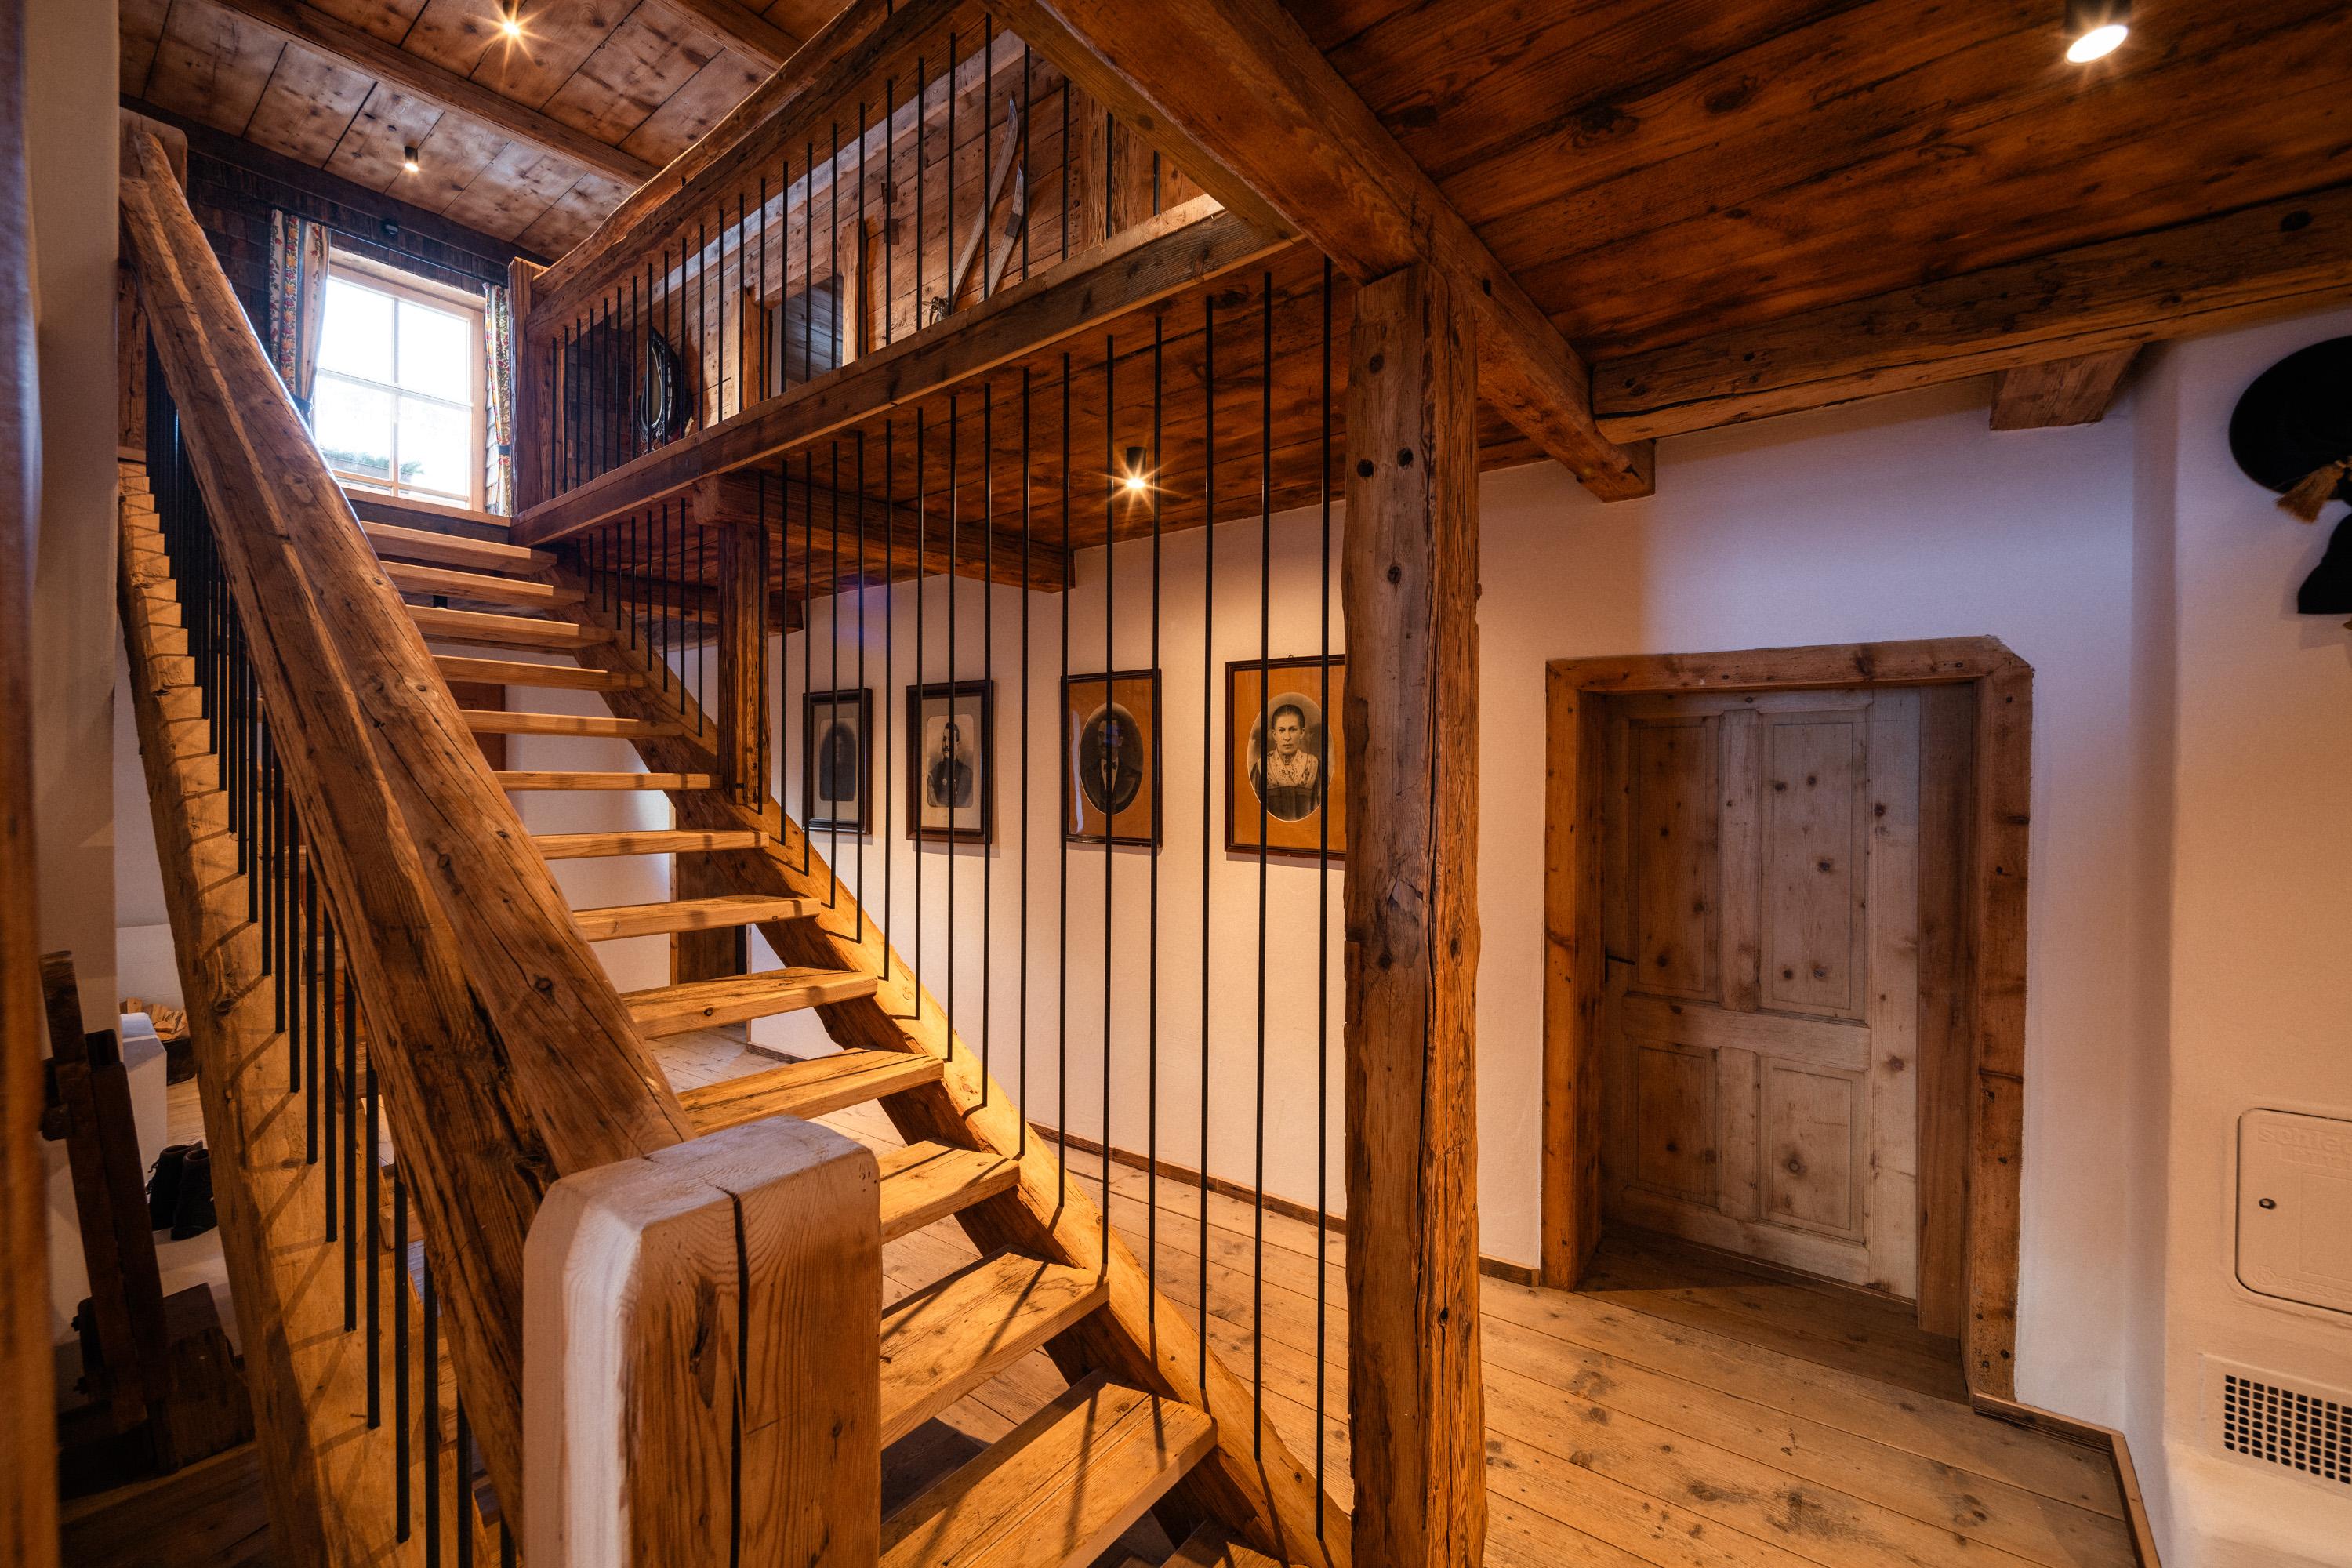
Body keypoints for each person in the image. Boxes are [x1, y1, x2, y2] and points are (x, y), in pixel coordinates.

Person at [1251, 700, 1320, 822]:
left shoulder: (1314, 765)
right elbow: (1252, 810)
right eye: (1282, 730)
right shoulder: (1262, 767)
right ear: (1274, 735)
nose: (1287, 737)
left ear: (1302, 733)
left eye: (1293, 729)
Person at [927, 715, 975, 810]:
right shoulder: (933, 776)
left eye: (951, 740)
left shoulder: (968, 774)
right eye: (944, 740)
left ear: (958, 744)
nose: (946, 745)